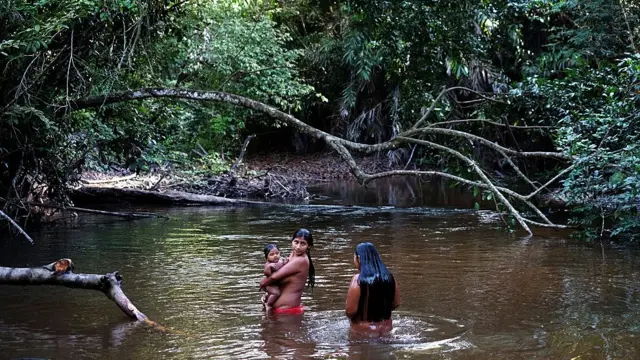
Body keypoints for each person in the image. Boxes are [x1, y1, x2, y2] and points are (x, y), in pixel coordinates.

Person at [345, 242, 400, 334]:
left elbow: (350, 311)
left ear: (358, 258)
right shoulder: (389, 277)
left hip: (362, 332)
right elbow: (396, 303)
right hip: (386, 329)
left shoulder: (357, 280)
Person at [260, 228, 315, 315]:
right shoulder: (293, 254)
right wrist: (268, 295)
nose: (298, 247)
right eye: (296, 242)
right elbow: (283, 281)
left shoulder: (301, 260)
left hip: (288, 311)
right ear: (292, 241)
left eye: (303, 243)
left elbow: (275, 276)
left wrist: (263, 283)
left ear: (309, 246)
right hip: (282, 312)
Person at [262, 244, 288, 309]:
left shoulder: (280, 261)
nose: (275, 255)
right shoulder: (268, 264)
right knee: (276, 293)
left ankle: (267, 297)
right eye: (272, 254)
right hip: (270, 285)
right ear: (267, 258)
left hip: (277, 283)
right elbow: (267, 274)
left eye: (277, 253)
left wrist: (285, 262)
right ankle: (268, 304)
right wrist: (269, 267)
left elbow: (284, 267)